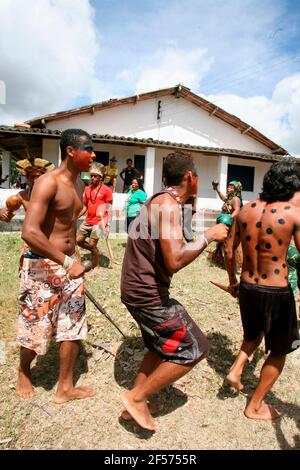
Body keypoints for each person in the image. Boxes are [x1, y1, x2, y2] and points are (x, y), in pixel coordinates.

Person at [120, 151, 228, 431]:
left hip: (137, 288)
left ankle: (137, 399)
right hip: (147, 293)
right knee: (196, 347)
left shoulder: (157, 200)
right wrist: (209, 235)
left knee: (161, 346)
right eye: (197, 177)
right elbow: (175, 259)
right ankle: (136, 398)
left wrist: (190, 206)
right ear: (190, 177)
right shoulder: (168, 205)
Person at [18, 128, 96, 403]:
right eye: (88, 148)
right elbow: (30, 232)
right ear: (71, 151)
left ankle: (65, 387)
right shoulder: (47, 183)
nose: (93, 153)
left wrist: (82, 248)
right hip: (42, 265)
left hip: (70, 267)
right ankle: (24, 370)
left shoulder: (81, 186)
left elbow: (68, 227)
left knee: (72, 326)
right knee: (35, 326)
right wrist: (63, 259)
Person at [226, 161, 300, 420]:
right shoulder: (293, 214)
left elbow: (228, 250)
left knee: (252, 334)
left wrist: (233, 280)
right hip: (276, 291)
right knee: (279, 351)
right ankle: (255, 405)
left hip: (247, 285)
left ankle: (235, 372)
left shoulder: (246, 210)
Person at [77, 162, 113, 272]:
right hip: (88, 220)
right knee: (78, 241)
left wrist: (107, 224)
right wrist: (77, 216)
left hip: (99, 222)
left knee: (92, 243)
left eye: (95, 176)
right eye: (91, 175)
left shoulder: (107, 190)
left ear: (100, 177)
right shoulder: (87, 189)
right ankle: (95, 250)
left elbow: (109, 208)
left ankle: (96, 264)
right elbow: (85, 206)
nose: (92, 178)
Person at [0, 158, 55, 222]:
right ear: (27, 178)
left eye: (38, 176)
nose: (35, 180)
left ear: (45, 177)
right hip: (31, 230)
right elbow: (6, 210)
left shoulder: (54, 193)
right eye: (32, 177)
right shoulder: (23, 195)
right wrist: (5, 215)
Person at [210, 180, 243, 274]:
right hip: (224, 222)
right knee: (222, 244)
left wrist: (229, 218)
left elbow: (237, 210)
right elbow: (223, 197)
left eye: (231, 187)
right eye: (229, 186)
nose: (229, 188)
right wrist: (216, 189)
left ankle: (233, 265)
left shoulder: (236, 199)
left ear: (236, 189)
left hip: (229, 224)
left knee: (228, 245)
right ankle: (222, 262)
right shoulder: (229, 198)